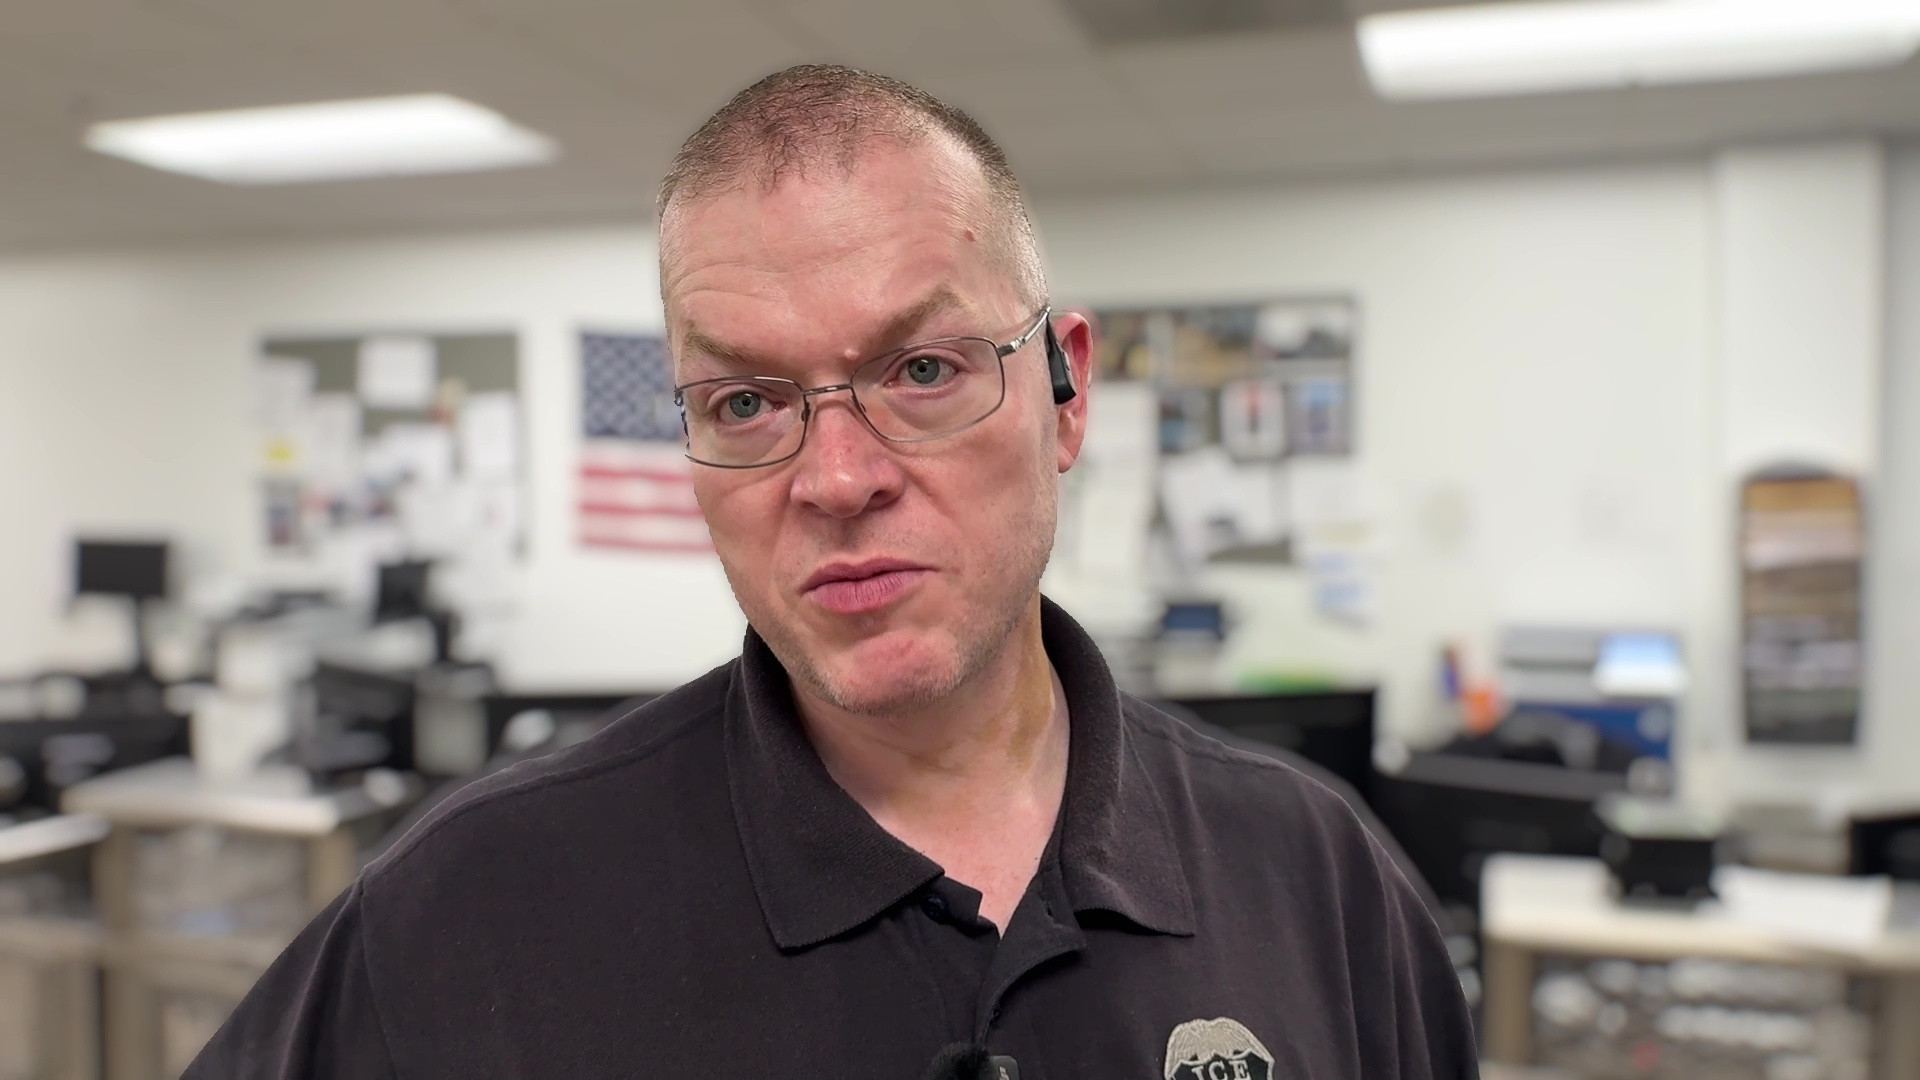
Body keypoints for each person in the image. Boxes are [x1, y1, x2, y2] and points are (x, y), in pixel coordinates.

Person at [187, 65, 1476, 1080]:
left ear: (1067, 393)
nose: (837, 476)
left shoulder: (1315, 880)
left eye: (922, 371)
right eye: (747, 400)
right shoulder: (474, 907)